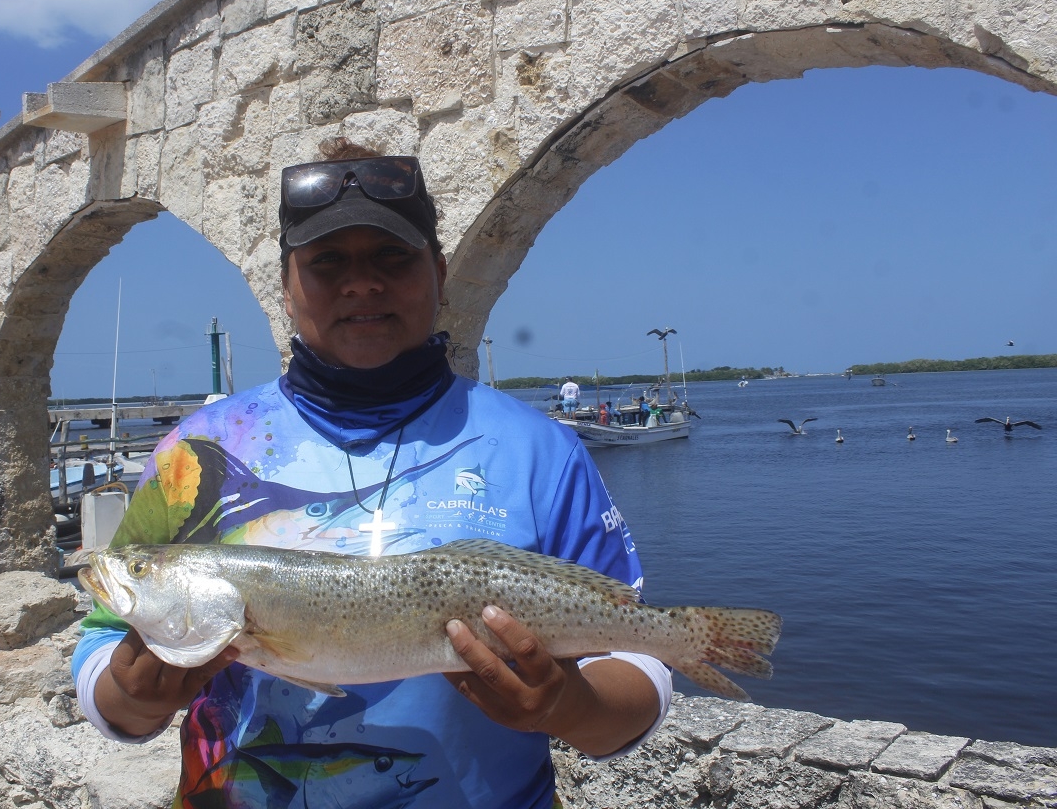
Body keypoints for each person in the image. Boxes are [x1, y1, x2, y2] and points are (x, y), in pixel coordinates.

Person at [72, 139, 672, 808]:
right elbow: (100, 649)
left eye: (393, 256)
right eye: (327, 262)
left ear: (440, 272)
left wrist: (568, 707)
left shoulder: (540, 450)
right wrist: (127, 695)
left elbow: (635, 659)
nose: (362, 283)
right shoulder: (197, 452)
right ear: (286, 283)